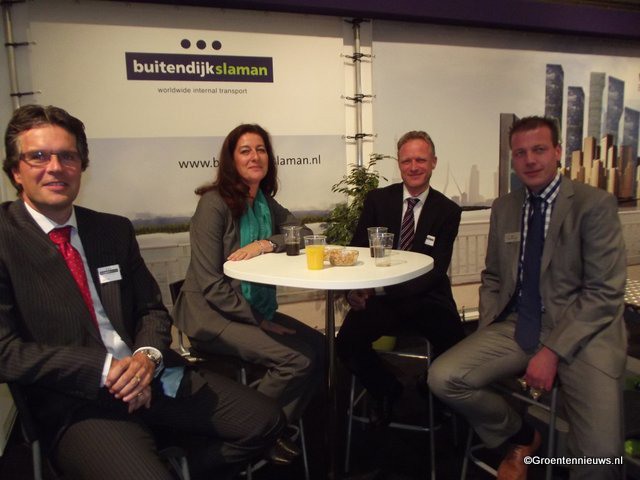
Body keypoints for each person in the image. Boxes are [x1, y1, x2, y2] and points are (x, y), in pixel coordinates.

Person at [0, 105, 287, 480]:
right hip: (78, 402)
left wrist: (146, 357)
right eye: (38, 156)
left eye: (67, 156)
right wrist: (107, 370)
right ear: (15, 171)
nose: (55, 167)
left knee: (267, 420)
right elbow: (5, 351)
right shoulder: (6, 238)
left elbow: (152, 310)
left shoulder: (112, 230)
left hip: (153, 374)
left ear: (82, 165)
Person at [429, 116, 627, 479]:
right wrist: (487, 329)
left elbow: (604, 292)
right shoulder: (505, 207)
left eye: (539, 150)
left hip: (584, 333)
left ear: (557, 152)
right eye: (520, 153)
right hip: (519, 324)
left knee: (600, 457)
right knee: (443, 378)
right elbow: (493, 276)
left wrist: (552, 352)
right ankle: (520, 436)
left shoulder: (594, 204)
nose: (530, 160)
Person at [173, 123, 325, 457]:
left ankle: (271, 429)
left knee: (321, 347)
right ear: (232, 160)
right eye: (245, 150)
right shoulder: (213, 204)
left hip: (250, 307)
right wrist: (259, 321)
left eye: (260, 149)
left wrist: (265, 243)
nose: (255, 156)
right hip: (211, 315)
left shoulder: (264, 202)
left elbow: (305, 233)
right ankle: (246, 427)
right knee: (298, 360)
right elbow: (211, 284)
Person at [336, 130, 465, 427]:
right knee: (346, 344)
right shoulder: (378, 200)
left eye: (421, 160)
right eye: (407, 160)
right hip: (381, 299)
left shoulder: (447, 211)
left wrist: (383, 290)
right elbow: (358, 251)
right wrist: (354, 291)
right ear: (399, 163)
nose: (414, 166)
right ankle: (387, 388)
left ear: (433, 162)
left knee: (458, 350)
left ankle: (431, 389)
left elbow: (436, 269)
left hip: (428, 298)